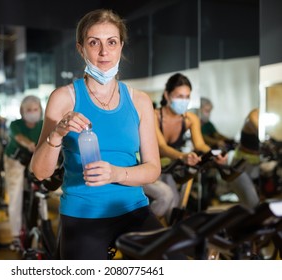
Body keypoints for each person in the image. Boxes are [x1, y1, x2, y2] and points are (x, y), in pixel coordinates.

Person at [30, 9, 163, 260]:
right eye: (94, 43)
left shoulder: (140, 101)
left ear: (121, 46)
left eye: (111, 42)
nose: (104, 52)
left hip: (133, 209)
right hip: (83, 213)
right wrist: (57, 133)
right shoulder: (64, 98)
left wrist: (115, 173)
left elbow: (153, 168)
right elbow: (40, 172)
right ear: (81, 49)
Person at [142, 73, 228, 222]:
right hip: (146, 168)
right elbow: (162, 147)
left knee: (175, 208)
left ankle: (161, 238)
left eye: (187, 97)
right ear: (167, 95)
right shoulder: (154, 115)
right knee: (166, 197)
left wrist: (214, 154)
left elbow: (200, 144)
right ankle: (140, 232)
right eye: (179, 96)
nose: (184, 101)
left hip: (167, 169)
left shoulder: (190, 119)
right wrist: (183, 156)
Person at [3, 95, 43, 251]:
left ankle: (40, 227)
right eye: (28, 110)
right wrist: (30, 144)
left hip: (35, 159)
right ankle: (15, 235)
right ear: (21, 111)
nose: (32, 112)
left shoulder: (43, 125)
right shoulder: (15, 124)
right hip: (15, 159)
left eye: (35, 109)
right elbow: (18, 137)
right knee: (15, 194)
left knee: (41, 190)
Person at [227, 108, 260, 205]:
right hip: (241, 165)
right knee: (252, 202)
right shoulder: (254, 115)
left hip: (256, 166)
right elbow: (259, 129)